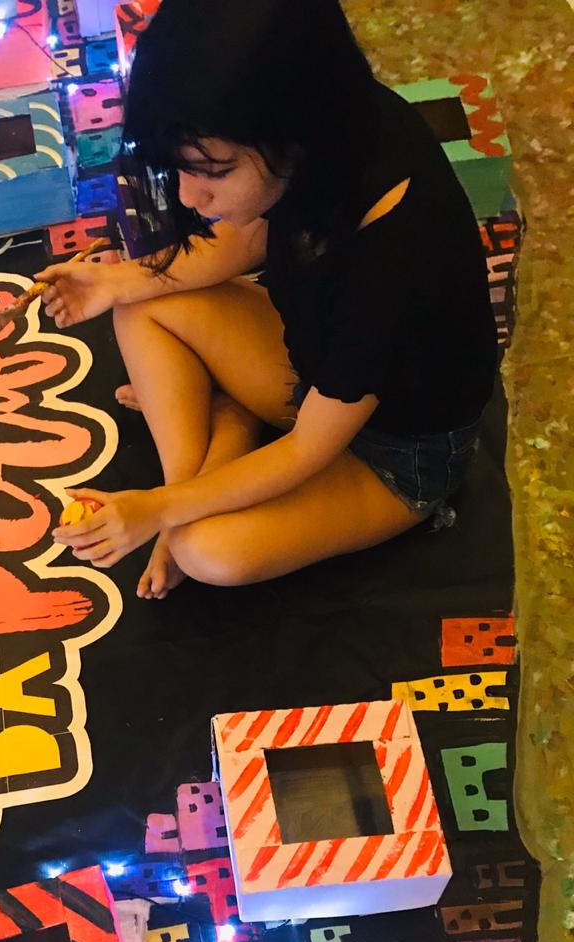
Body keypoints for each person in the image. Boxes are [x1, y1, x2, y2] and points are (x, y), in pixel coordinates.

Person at [40, 0, 498, 599]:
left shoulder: (394, 262)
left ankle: (216, 448)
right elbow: (247, 233)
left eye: (213, 171)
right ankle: (213, 453)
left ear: (291, 138)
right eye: (180, 170)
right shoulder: (329, 128)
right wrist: (116, 280)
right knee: (138, 298)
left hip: (394, 451)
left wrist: (158, 511)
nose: (191, 198)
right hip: (311, 368)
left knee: (205, 550)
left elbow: (309, 447)